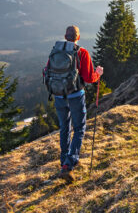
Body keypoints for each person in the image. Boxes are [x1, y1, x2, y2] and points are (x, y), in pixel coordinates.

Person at [44, 25, 103, 181]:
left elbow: (46, 71)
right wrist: (98, 73)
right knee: (79, 128)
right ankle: (68, 165)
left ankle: (64, 161)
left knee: (64, 127)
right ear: (78, 37)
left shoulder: (56, 51)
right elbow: (89, 78)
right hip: (76, 95)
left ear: (65, 36)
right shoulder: (81, 52)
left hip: (58, 95)